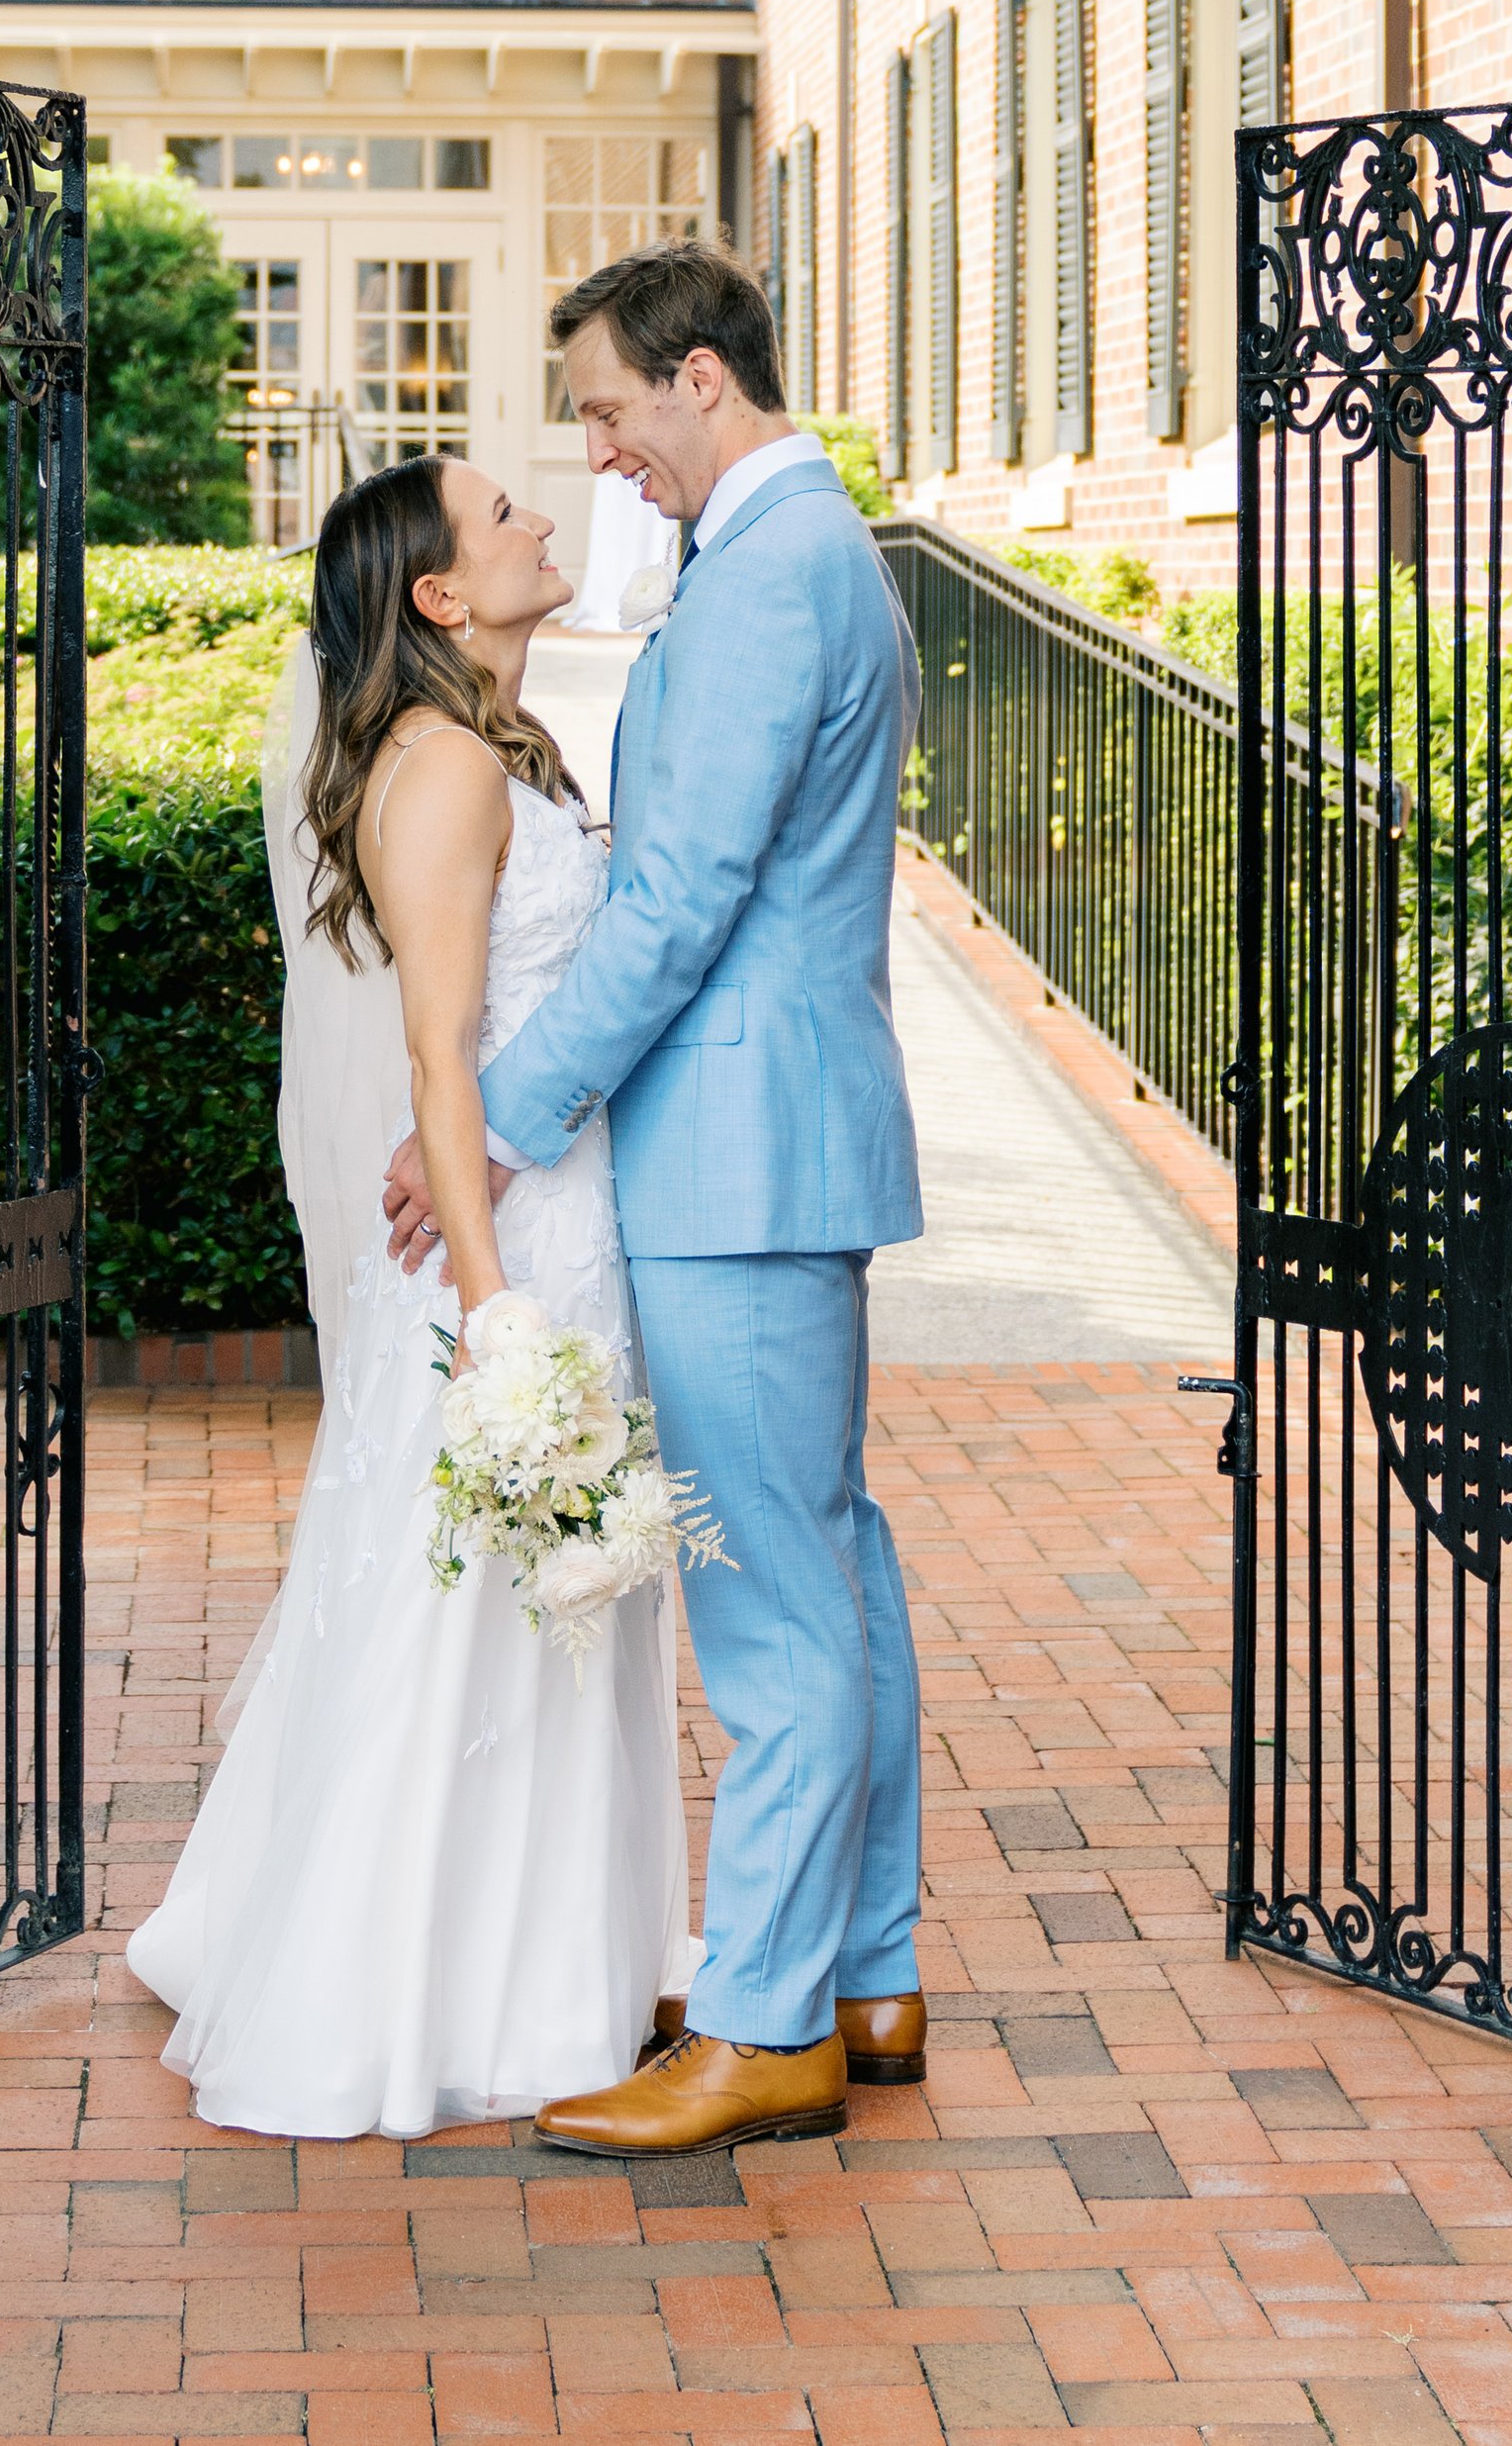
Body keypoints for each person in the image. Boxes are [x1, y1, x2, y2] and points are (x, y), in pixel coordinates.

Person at [382, 240, 928, 2155]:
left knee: (774, 1601)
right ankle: (863, 1968)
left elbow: (681, 904)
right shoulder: (789, 553)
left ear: (704, 380)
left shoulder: (777, 570)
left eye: (611, 410)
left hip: (738, 1155)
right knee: (831, 1556)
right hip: (770, 1145)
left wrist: (505, 1112)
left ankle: (772, 2023)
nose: (599, 454)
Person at [124, 455, 697, 2137]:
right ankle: (428, 1986)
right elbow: (444, 1064)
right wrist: (501, 1312)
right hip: (501, 1255)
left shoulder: (506, 744)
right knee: (478, 1612)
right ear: (441, 597)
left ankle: (547, 1961)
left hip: (555, 1222)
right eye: (503, 514)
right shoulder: (444, 769)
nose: (537, 520)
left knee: (545, 1615)